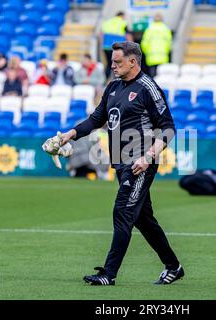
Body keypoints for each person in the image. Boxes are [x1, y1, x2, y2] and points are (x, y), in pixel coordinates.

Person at [55, 41, 183, 286]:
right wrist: (67, 135)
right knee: (143, 219)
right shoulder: (113, 87)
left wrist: (148, 157)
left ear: (133, 62)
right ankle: (173, 266)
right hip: (121, 163)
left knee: (123, 211)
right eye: (112, 61)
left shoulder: (148, 88)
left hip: (139, 164)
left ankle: (108, 274)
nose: (111, 65)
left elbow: (168, 129)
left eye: (117, 61)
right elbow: (96, 120)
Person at [141, 13, 172, 78]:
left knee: (153, 78)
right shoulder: (166, 29)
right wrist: (166, 52)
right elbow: (169, 44)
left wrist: (147, 52)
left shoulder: (149, 29)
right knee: (162, 78)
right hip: (163, 58)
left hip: (151, 58)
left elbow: (144, 44)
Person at [101, 11, 130, 80]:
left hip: (106, 47)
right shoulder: (123, 23)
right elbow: (128, 35)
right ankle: (116, 80)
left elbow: (101, 34)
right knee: (118, 64)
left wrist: (102, 45)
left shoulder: (107, 22)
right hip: (116, 48)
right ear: (122, 16)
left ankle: (105, 80)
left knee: (109, 64)